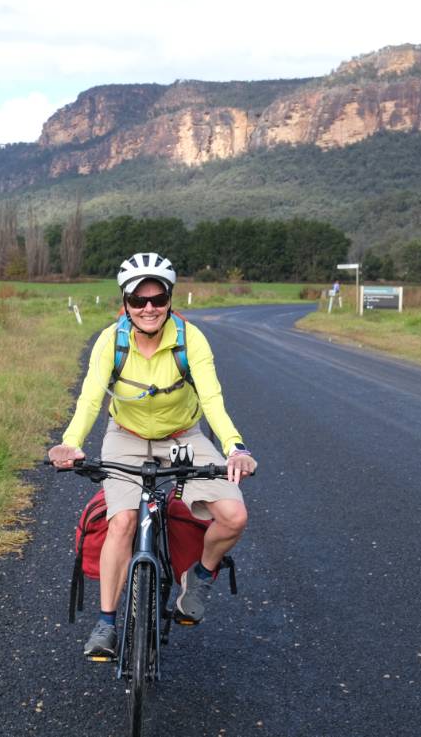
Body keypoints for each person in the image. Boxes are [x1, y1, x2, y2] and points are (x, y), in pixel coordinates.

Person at [48, 252, 258, 659]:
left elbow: (212, 399)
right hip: (125, 436)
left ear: (169, 300)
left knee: (234, 516)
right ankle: (106, 623)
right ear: (125, 302)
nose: (149, 308)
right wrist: (71, 442)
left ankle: (199, 577)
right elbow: (90, 398)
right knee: (122, 521)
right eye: (138, 300)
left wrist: (234, 447)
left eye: (157, 299)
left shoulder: (190, 339)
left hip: (182, 438)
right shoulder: (111, 341)